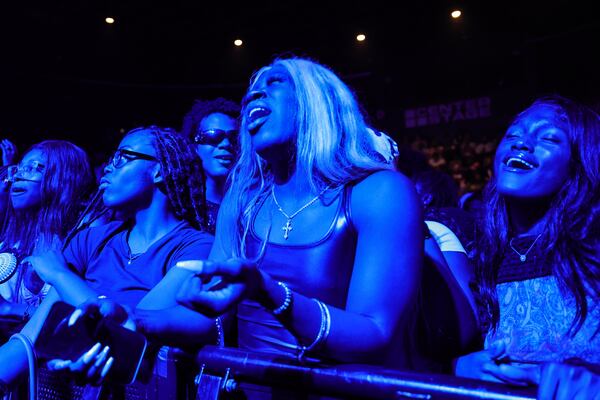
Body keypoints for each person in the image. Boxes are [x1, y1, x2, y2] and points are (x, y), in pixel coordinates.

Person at [174, 56, 423, 367]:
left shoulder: (379, 192)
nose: (254, 93)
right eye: (252, 89)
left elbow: (376, 334)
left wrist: (267, 291)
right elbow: (210, 317)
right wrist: (131, 323)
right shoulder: (242, 200)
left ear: (317, 100)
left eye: (275, 82)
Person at [0, 126, 217, 391]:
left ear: (158, 171)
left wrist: (60, 275)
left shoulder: (197, 246)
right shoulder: (90, 240)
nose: (108, 169)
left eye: (122, 158)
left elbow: (128, 331)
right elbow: (31, 338)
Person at [455, 95, 600, 398]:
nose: (521, 143)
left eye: (548, 138)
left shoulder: (594, 249)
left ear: (579, 163)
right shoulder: (478, 256)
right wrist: (459, 367)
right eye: (512, 134)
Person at [0, 140, 95, 324]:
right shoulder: (8, 243)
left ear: (63, 180)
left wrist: (10, 308)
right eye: (19, 168)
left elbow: (86, 320)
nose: (19, 176)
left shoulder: (83, 247)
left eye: (34, 168)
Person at [181, 97, 240, 233]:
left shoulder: (251, 203)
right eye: (213, 136)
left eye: (234, 138)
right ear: (194, 146)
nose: (226, 144)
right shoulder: (182, 207)